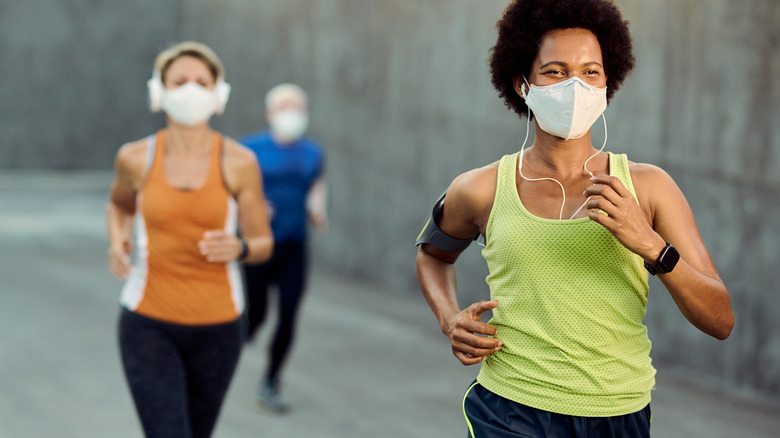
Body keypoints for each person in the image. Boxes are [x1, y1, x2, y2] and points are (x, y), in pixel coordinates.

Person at [415, 1, 735, 437]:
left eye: (590, 72)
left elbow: (720, 321)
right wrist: (450, 318)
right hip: (511, 408)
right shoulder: (482, 187)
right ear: (522, 84)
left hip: (618, 412)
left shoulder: (649, 187)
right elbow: (433, 253)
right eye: (555, 71)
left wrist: (652, 246)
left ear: (608, 82)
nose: (575, 86)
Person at [106, 41, 273, 438]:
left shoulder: (239, 162)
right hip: (147, 323)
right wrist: (117, 239)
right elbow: (119, 205)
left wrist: (240, 247)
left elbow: (262, 242)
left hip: (220, 329)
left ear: (218, 94)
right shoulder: (134, 158)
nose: (191, 90)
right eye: (179, 81)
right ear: (158, 91)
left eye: (202, 81)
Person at [240, 83, 327, 413]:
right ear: (269, 113)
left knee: (289, 314)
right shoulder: (249, 150)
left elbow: (317, 185)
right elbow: (231, 191)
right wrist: (251, 207)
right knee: (257, 314)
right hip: (258, 245)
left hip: (294, 245)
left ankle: (271, 381)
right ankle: (227, 349)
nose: (291, 114)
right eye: (284, 107)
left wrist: (318, 209)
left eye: (297, 107)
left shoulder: (313, 152)